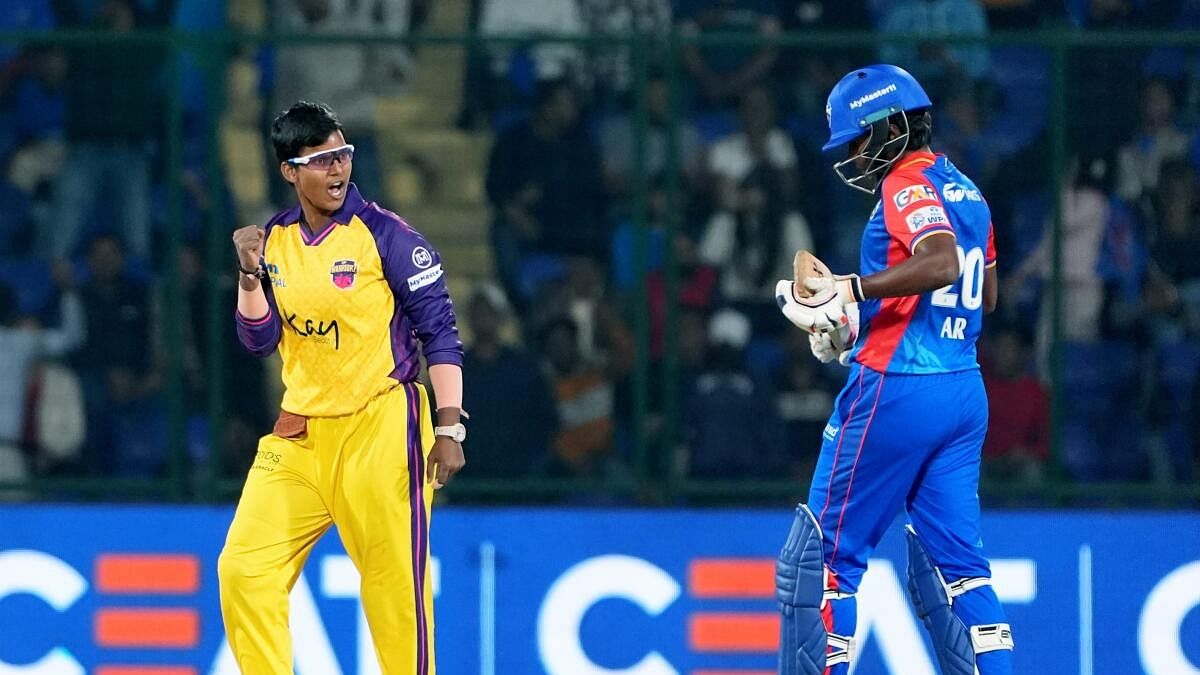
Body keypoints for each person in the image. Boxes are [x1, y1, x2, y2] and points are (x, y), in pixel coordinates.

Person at [773, 65, 1013, 675]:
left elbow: (937, 264)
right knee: (960, 572)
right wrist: (856, 332)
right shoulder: (967, 190)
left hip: (897, 391)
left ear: (890, 125)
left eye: (857, 139)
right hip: (962, 387)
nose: (854, 156)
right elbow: (983, 297)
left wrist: (851, 291)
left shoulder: (905, 186)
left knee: (820, 565)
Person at [218, 101, 466, 674]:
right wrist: (249, 272)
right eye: (322, 160)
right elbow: (257, 341)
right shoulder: (274, 242)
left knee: (393, 586)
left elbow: (441, 334)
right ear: (289, 171)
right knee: (244, 571)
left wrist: (449, 425)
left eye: (343, 155)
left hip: (379, 424)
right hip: (301, 434)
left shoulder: (388, 237)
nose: (337, 171)